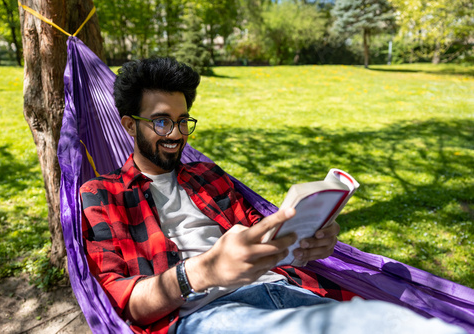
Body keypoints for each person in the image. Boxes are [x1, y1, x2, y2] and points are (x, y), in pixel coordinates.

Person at [80, 57, 466, 334]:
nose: (177, 134)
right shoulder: (103, 195)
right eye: (162, 121)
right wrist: (206, 270)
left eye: (183, 121)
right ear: (129, 124)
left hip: (281, 288)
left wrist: (312, 239)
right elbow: (126, 303)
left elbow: (262, 233)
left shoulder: (207, 175)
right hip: (207, 314)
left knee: (399, 325)